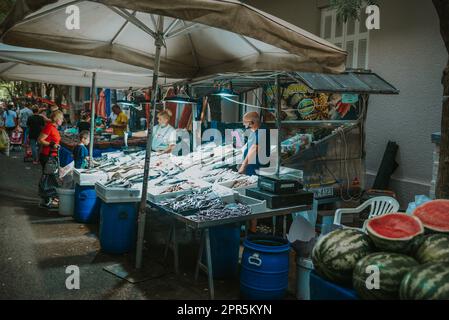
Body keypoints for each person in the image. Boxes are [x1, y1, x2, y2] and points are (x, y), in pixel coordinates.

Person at [238, 111, 271, 234]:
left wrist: (242, 166)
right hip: (250, 169)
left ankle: (252, 230)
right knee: (249, 197)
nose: (244, 125)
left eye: (245, 123)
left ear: (252, 122)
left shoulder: (263, 131)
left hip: (257, 170)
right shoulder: (254, 132)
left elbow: (254, 148)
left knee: (254, 198)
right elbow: (249, 146)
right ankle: (249, 226)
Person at [38, 110, 63, 208]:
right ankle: (46, 200)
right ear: (56, 119)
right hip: (47, 156)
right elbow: (40, 140)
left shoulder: (54, 127)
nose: (62, 120)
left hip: (51, 156)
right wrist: (51, 144)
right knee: (48, 178)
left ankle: (49, 198)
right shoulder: (49, 127)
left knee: (50, 178)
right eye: (61, 118)